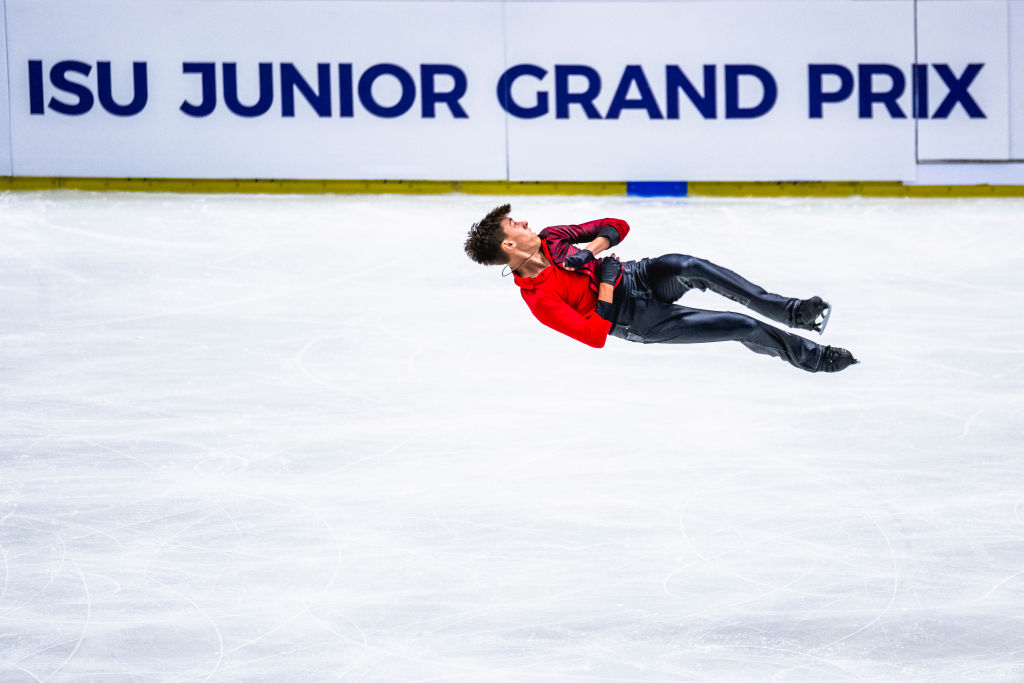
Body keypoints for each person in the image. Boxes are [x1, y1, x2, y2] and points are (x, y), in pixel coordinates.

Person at [463, 203, 858, 373]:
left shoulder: (553, 238)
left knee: (692, 266)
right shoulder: (539, 299)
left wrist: (592, 251)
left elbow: (617, 225)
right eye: (515, 226)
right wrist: (603, 285)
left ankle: (791, 311)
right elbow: (593, 336)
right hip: (639, 320)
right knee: (740, 326)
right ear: (509, 246)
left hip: (638, 276)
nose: (524, 223)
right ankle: (814, 358)